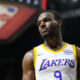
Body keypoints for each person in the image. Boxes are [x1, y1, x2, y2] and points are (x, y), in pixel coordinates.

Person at [22, 10, 80, 80]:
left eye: (46, 20)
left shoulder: (76, 52)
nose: (42, 24)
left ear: (59, 22)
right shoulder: (31, 56)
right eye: (39, 23)